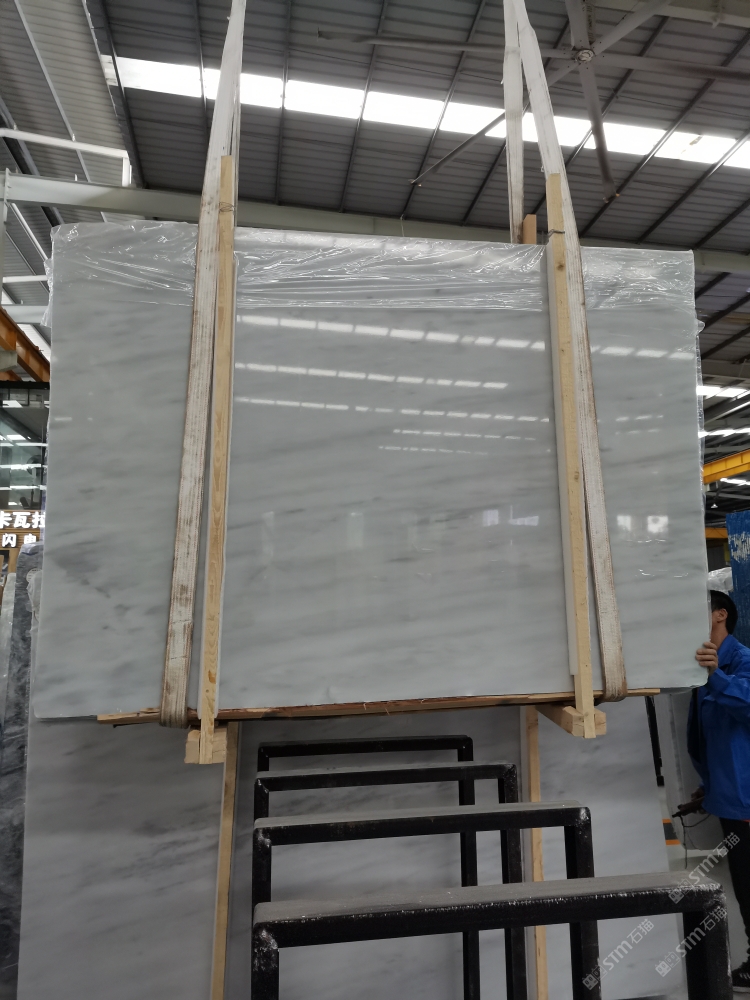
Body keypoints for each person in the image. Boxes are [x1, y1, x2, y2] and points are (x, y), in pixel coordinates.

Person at [689, 589, 750, 992]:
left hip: (745, 799)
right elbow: (710, 737)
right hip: (728, 795)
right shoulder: (704, 667)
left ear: (720, 615)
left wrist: (717, 675)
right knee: (743, 883)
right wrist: (706, 785)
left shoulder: (740, 660)